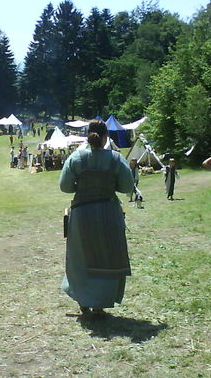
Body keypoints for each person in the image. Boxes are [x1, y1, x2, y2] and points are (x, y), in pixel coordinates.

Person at [59, 120, 134, 316]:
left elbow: (65, 187)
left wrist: (81, 186)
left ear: (88, 136)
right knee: (107, 258)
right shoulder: (116, 159)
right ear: (105, 137)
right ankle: (99, 304)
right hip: (108, 212)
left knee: (80, 258)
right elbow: (127, 187)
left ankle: (83, 300)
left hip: (82, 213)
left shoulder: (75, 158)